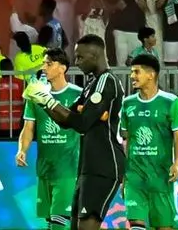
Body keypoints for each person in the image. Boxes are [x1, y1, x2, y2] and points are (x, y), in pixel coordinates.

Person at [33, 35, 125, 230]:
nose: (76, 62)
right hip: (87, 167)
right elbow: (68, 120)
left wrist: (49, 102)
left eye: (80, 57)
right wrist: (43, 100)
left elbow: (81, 123)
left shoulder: (106, 81)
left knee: (86, 227)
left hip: (103, 164)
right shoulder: (91, 84)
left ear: (95, 55)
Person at [118, 55, 178, 230]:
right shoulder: (127, 104)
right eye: (131, 72)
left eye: (136, 72)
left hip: (160, 177)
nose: (132, 76)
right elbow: (127, 139)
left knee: (164, 226)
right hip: (135, 177)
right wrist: (124, 175)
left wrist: (177, 163)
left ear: (151, 74)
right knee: (136, 224)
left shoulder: (170, 102)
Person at [18, 52, 81, 230]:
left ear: (62, 68)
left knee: (58, 220)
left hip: (69, 168)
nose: (43, 68)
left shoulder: (78, 94)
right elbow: (28, 127)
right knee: (49, 221)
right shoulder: (35, 94)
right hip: (45, 168)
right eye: (43, 63)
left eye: (49, 64)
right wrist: (22, 150)